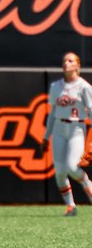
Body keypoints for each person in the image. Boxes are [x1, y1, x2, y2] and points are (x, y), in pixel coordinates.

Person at [41, 51, 92, 215]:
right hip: (59, 128)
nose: (66, 63)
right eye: (64, 61)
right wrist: (45, 137)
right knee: (60, 172)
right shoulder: (56, 86)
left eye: (70, 61)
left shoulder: (84, 87)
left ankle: (87, 184)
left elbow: (91, 111)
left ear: (77, 65)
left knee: (71, 167)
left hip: (76, 128)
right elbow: (52, 113)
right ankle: (71, 206)